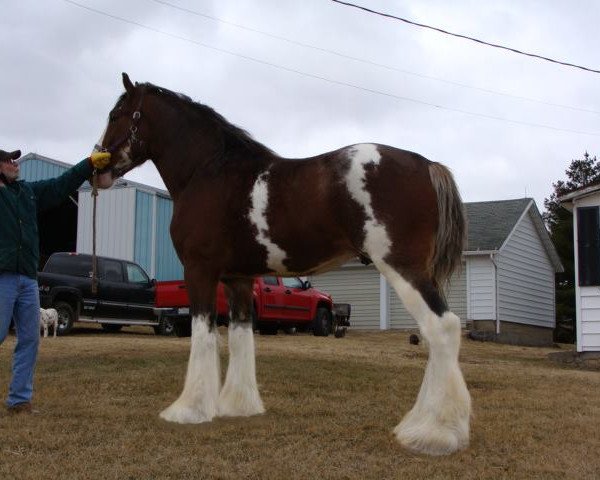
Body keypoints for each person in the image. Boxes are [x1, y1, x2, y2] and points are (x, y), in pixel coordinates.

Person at [0, 148, 111, 414]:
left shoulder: (27, 192)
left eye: (15, 159)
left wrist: (87, 165)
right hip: (2, 275)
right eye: (8, 160)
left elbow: (60, 186)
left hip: (28, 277)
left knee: (30, 339)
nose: (15, 163)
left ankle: (19, 401)